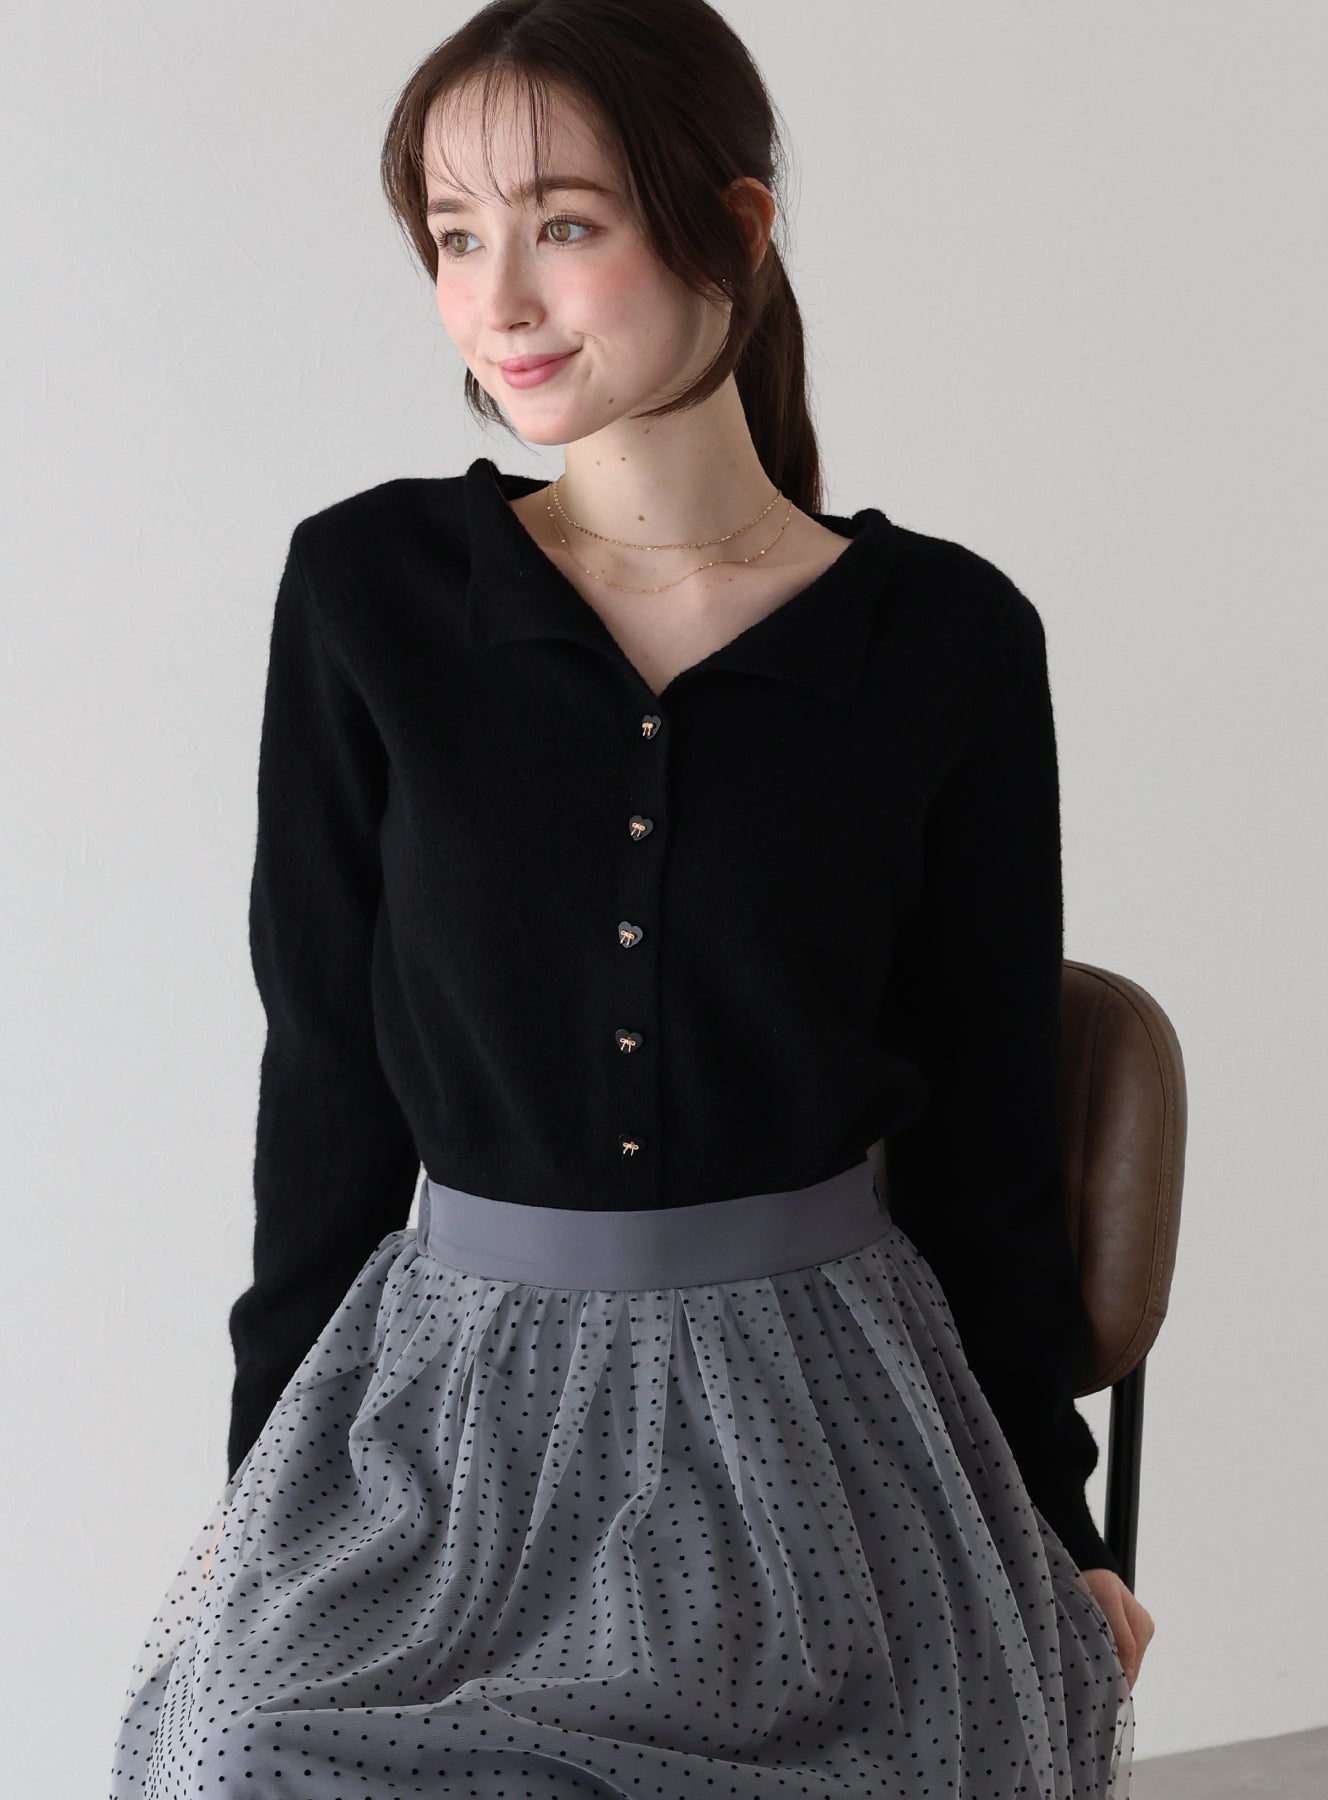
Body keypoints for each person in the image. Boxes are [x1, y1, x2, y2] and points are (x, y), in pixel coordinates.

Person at [108, 2, 1152, 1794]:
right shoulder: (368, 593)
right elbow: (327, 1092)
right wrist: (264, 1491)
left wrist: (1062, 1531)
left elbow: (985, 1136)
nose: (497, 301)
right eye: (456, 238)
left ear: (734, 228)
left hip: (832, 1437)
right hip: (450, 1443)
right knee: (252, 1745)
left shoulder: (951, 640)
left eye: (564, 225)